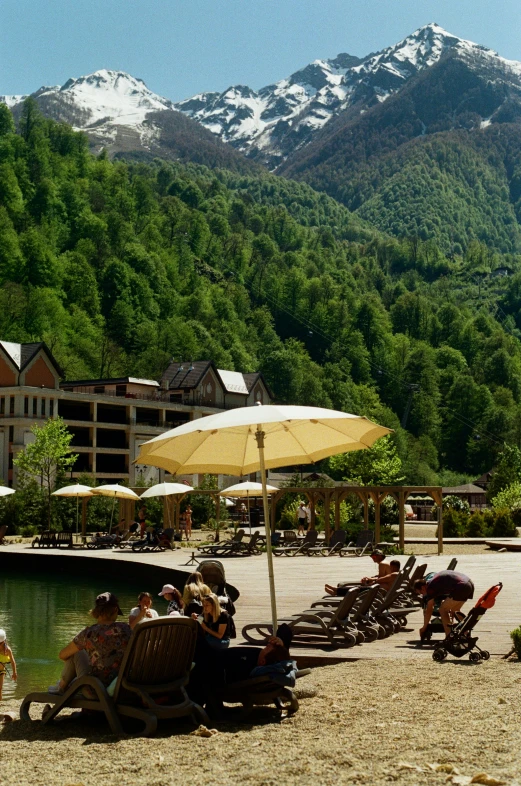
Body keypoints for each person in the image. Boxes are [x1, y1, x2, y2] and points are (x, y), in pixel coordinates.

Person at [48, 592, 131, 695]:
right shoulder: (126, 629)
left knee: (77, 651)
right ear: (115, 610)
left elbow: (62, 655)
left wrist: (82, 656)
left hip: (95, 690)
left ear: (96, 612)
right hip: (121, 686)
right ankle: (64, 685)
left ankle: (61, 686)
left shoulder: (89, 633)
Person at [414, 570, 475, 637]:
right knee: (455, 610)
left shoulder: (430, 587)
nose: (422, 595)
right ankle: (466, 631)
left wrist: (424, 627)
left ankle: (448, 636)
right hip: (469, 584)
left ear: (422, 587)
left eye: (421, 592)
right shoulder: (432, 580)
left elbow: (429, 609)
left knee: (442, 610)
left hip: (461, 587)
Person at [324, 549, 393, 596]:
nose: (373, 558)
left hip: (381, 589)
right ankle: (337, 590)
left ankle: (336, 591)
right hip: (384, 587)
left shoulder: (382, 564)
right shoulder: (386, 562)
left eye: (374, 557)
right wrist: (370, 579)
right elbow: (384, 576)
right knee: (359, 587)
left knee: (358, 589)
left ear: (380, 556)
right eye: (372, 557)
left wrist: (369, 582)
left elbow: (380, 579)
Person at [0, 629, 17, 700]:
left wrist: (14, 673)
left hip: (1, 671)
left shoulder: (8, 650)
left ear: (4, 641)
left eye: (0, 643)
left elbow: (13, 662)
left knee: (0, 688)